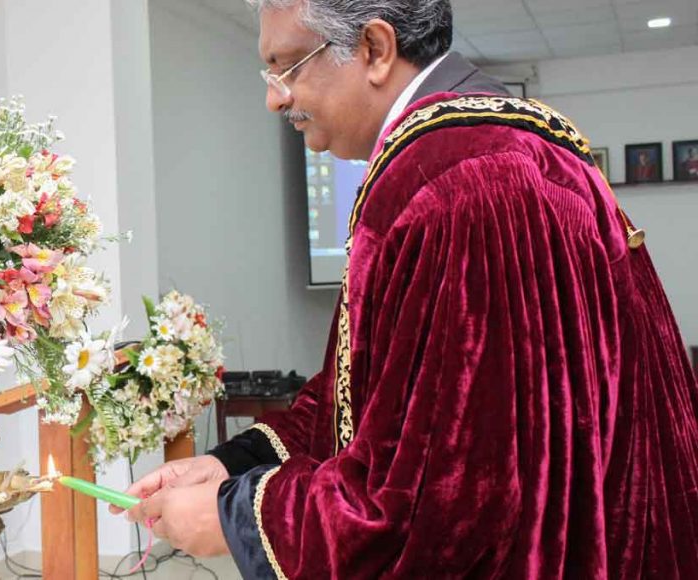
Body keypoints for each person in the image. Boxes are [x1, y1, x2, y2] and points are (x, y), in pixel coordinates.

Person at [114, 1, 698, 578]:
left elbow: (445, 499)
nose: (276, 98)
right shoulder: (483, 154)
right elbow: (376, 399)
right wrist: (236, 465)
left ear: (374, 49)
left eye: (288, 66)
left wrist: (235, 516)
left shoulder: (460, 183)